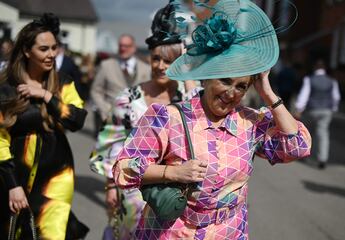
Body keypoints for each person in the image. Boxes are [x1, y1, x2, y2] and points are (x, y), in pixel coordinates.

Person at [112, 0, 312, 239]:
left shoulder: (250, 123)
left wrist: (268, 93)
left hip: (228, 232)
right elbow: (123, 169)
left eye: (241, 86)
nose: (231, 93)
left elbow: (298, 146)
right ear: (207, 77)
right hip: (171, 232)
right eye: (225, 81)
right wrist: (173, 173)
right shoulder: (167, 117)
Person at [89, 3, 197, 239]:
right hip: (134, 188)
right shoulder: (128, 98)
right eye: (156, 58)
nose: (161, 66)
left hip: (175, 191)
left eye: (169, 61)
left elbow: (201, 126)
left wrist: (188, 77)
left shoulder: (188, 98)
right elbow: (113, 144)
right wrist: (110, 187)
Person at [0, 13, 87, 239]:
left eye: (54, 48)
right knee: (15, 232)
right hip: (14, 175)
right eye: (44, 49)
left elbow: (77, 119)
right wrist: (12, 185)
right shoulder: (7, 88)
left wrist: (47, 96)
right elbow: (0, 140)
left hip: (56, 178)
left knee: (51, 233)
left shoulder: (63, 82)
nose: (51, 54)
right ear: (27, 51)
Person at [90, 34, 151, 137]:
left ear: (133, 48)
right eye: (121, 46)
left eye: (126, 46)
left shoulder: (146, 68)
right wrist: (105, 110)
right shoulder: (106, 65)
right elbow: (95, 90)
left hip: (138, 124)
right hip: (112, 123)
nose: (123, 49)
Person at [295, 59, 340, 169]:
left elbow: (304, 95)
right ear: (324, 69)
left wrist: (299, 108)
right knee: (323, 134)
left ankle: (304, 154)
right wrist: (334, 109)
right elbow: (336, 97)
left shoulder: (309, 79)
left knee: (307, 133)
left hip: (312, 109)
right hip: (326, 110)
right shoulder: (332, 81)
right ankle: (322, 159)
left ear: (315, 68)